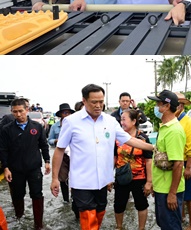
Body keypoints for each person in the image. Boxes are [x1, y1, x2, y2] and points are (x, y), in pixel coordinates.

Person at [50, 84, 154, 230]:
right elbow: (59, 150)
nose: (98, 106)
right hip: (82, 181)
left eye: (101, 101)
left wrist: (153, 147)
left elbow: (129, 139)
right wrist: (55, 178)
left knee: (99, 215)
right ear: (84, 101)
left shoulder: (110, 121)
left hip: (103, 181)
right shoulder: (71, 122)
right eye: (94, 102)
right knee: (88, 219)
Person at [0, 98, 50, 230]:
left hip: (34, 168)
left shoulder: (37, 126)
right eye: (15, 112)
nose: (18, 114)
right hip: (15, 169)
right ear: (11, 112)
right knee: (17, 195)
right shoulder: (6, 129)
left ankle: (38, 225)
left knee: (37, 195)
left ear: (27, 110)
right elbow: (3, 150)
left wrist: (47, 161)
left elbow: (44, 145)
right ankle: (19, 218)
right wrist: (5, 167)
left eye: (21, 111)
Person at [147, 90, 186, 229]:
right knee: (164, 224)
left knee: (171, 225)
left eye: (158, 104)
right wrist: (154, 184)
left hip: (168, 190)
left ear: (167, 106)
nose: (156, 108)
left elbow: (178, 163)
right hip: (161, 187)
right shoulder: (164, 128)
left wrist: (172, 193)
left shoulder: (174, 131)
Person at [113, 109, 153, 230]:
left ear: (134, 121)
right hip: (122, 177)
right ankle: (119, 227)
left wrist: (149, 182)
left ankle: (141, 228)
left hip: (139, 178)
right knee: (119, 205)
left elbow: (148, 161)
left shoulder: (143, 138)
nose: (122, 122)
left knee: (141, 205)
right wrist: (109, 177)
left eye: (124, 119)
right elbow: (114, 157)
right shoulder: (117, 138)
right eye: (121, 120)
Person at [174, 92, 191, 230]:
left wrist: (188, 167)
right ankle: (181, 218)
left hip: (187, 162)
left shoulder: (188, 123)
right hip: (177, 162)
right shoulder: (175, 120)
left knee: (189, 195)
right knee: (179, 193)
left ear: (181, 106)